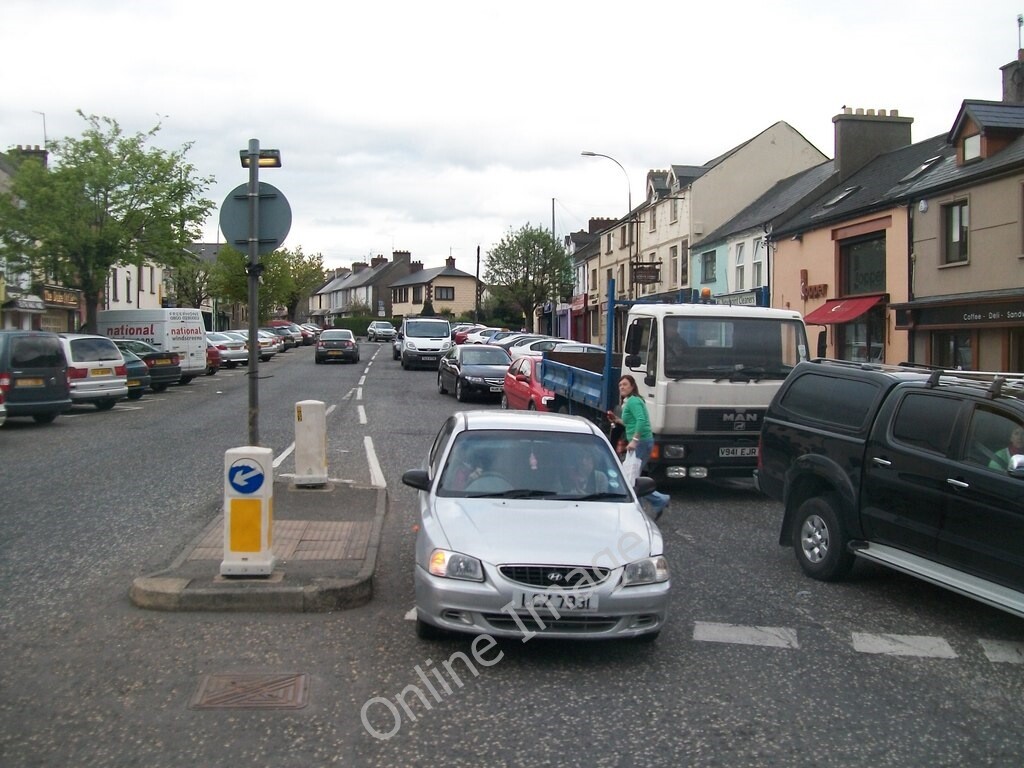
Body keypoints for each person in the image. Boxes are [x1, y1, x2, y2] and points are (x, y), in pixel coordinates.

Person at [608, 374, 670, 519]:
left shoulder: (633, 402)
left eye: (625, 384)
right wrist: (617, 420)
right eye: (620, 385)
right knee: (633, 479)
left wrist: (635, 440)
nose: (622, 387)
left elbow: (641, 421)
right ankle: (652, 504)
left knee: (632, 480)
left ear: (632, 386)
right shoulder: (630, 401)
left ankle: (644, 511)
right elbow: (632, 423)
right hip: (642, 442)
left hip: (641, 443)